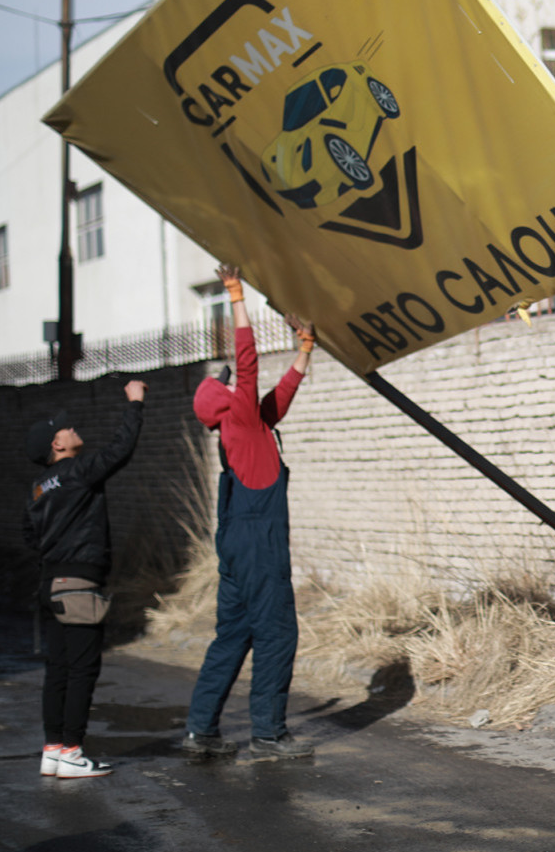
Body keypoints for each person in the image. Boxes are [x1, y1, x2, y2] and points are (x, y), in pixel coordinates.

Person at [182, 264, 317, 761]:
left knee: (232, 635)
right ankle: (268, 734)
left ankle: (200, 730)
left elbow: (279, 396)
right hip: (259, 548)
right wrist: (235, 294)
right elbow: (249, 359)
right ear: (226, 398)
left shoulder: (243, 428)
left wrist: (304, 349)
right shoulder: (241, 417)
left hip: (234, 546)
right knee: (277, 632)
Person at [23, 378, 148, 779]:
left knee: (58, 669)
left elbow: (29, 535)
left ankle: (53, 750)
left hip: (50, 584)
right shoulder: (77, 472)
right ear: (56, 446)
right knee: (82, 669)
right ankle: (73, 753)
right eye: (64, 427)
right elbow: (119, 451)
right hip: (77, 584)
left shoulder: (39, 489)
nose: (72, 427)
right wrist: (135, 404)